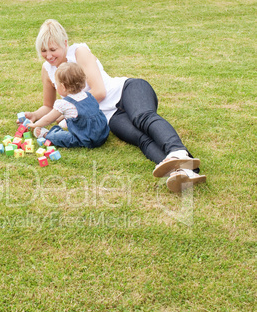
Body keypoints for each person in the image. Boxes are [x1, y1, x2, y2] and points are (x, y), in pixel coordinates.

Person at [24, 19, 206, 192]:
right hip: (109, 116)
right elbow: (48, 106)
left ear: (64, 43)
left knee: (142, 118)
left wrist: (67, 115)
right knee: (140, 139)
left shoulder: (78, 52)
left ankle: (178, 153)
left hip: (125, 91)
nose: (48, 55)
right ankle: (181, 171)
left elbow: (99, 92)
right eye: (43, 50)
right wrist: (35, 115)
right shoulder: (47, 70)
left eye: (52, 49)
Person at [27, 62, 109, 148]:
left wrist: (35, 125)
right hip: (102, 134)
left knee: (62, 137)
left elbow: (48, 119)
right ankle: (71, 124)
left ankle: (45, 134)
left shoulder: (64, 104)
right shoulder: (88, 95)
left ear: (63, 86)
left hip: (85, 138)